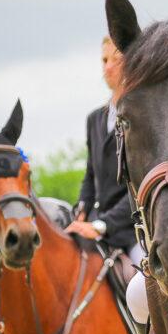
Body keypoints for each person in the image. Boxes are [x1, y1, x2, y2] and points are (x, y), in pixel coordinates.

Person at [66, 37, 142, 271]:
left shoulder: (141, 117)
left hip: (133, 232)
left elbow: (138, 187)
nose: (108, 67)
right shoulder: (95, 119)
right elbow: (91, 176)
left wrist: (102, 225)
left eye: (117, 59)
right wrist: (81, 211)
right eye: (104, 60)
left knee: (149, 281)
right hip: (95, 224)